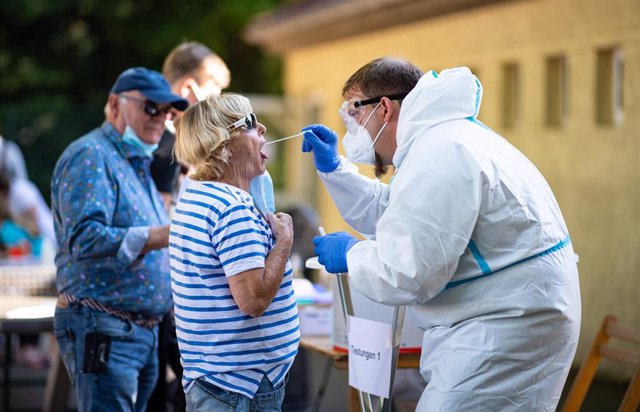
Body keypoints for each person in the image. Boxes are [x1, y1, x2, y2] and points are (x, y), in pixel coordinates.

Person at [301, 57, 581, 410]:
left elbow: (409, 272)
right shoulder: (441, 140)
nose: (353, 129)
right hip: (503, 317)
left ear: (384, 108)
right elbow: (402, 215)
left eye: (354, 113)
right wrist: (335, 170)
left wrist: (352, 256)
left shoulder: (442, 152)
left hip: (504, 326)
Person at [51, 67, 188, 411]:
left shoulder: (134, 160)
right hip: (105, 327)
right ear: (115, 105)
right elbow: (83, 239)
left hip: (136, 330)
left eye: (168, 111)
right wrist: (167, 234)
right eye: (150, 108)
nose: (161, 118)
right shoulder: (91, 155)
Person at [170, 93, 299, 411]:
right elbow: (253, 300)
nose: (264, 128)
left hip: (219, 380)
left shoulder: (198, 196)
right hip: (242, 385)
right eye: (252, 123)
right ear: (224, 142)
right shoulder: (231, 207)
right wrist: (283, 242)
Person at [152, 41, 231, 210]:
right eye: (210, 100)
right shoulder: (167, 144)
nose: (212, 112)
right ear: (187, 88)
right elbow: (159, 222)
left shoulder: (152, 133)